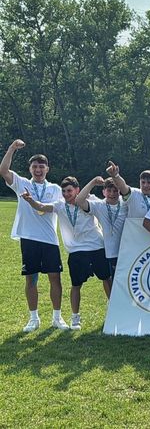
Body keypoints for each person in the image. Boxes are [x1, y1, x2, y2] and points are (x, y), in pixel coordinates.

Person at [21, 176, 108, 331]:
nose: (66, 194)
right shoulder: (60, 205)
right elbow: (42, 207)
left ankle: (113, 310)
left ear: (77, 190)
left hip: (97, 247)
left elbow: (107, 205)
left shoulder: (91, 200)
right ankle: (75, 318)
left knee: (107, 279)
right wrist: (30, 200)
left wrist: (95, 183)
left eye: (69, 191)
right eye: (64, 191)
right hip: (76, 251)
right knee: (76, 285)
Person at [1, 140, 67, 332]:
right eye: (35, 166)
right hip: (29, 238)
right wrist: (12, 148)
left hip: (50, 239)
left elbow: (54, 207)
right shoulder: (21, 183)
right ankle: (33, 318)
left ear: (47, 169)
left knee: (55, 278)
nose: (38, 170)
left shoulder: (55, 189)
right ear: (30, 168)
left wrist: (33, 202)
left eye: (41, 166)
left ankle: (57, 317)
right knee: (31, 280)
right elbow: (3, 170)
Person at [75, 174, 129, 298]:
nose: (112, 193)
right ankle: (116, 307)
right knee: (116, 284)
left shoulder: (126, 203)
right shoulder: (99, 206)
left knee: (129, 283)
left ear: (120, 191)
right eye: (109, 190)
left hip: (128, 251)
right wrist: (93, 182)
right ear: (103, 191)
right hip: (112, 252)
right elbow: (79, 201)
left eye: (115, 190)